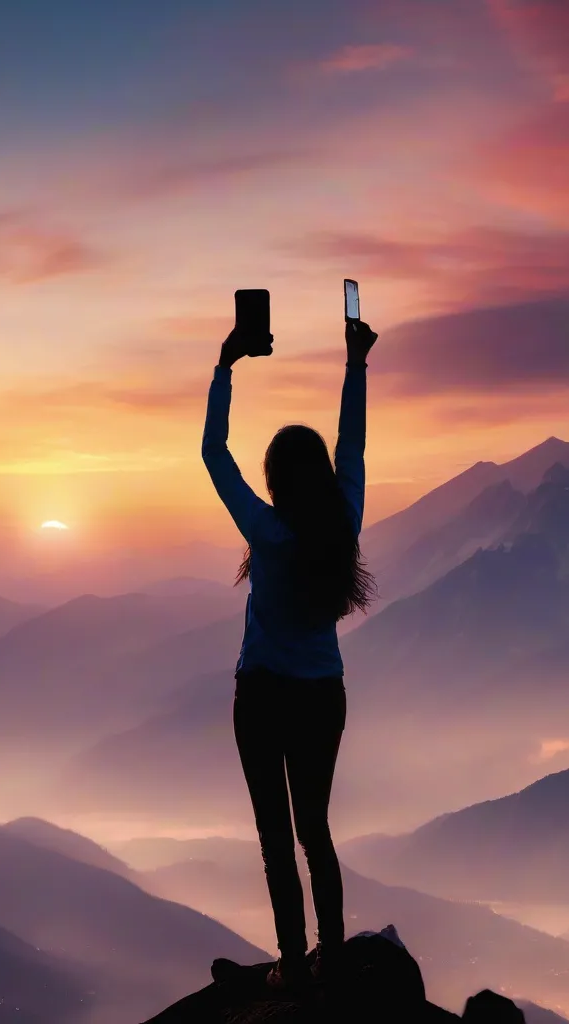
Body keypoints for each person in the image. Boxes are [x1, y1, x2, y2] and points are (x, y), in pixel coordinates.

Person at [201, 314, 378, 989]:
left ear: (275, 479)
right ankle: (331, 958)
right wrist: (355, 362)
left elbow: (215, 456)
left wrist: (226, 364)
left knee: (277, 837)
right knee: (315, 831)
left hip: (263, 697)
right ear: (324, 479)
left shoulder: (269, 534)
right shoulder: (345, 523)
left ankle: (295, 965)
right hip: (322, 696)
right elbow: (353, 445)